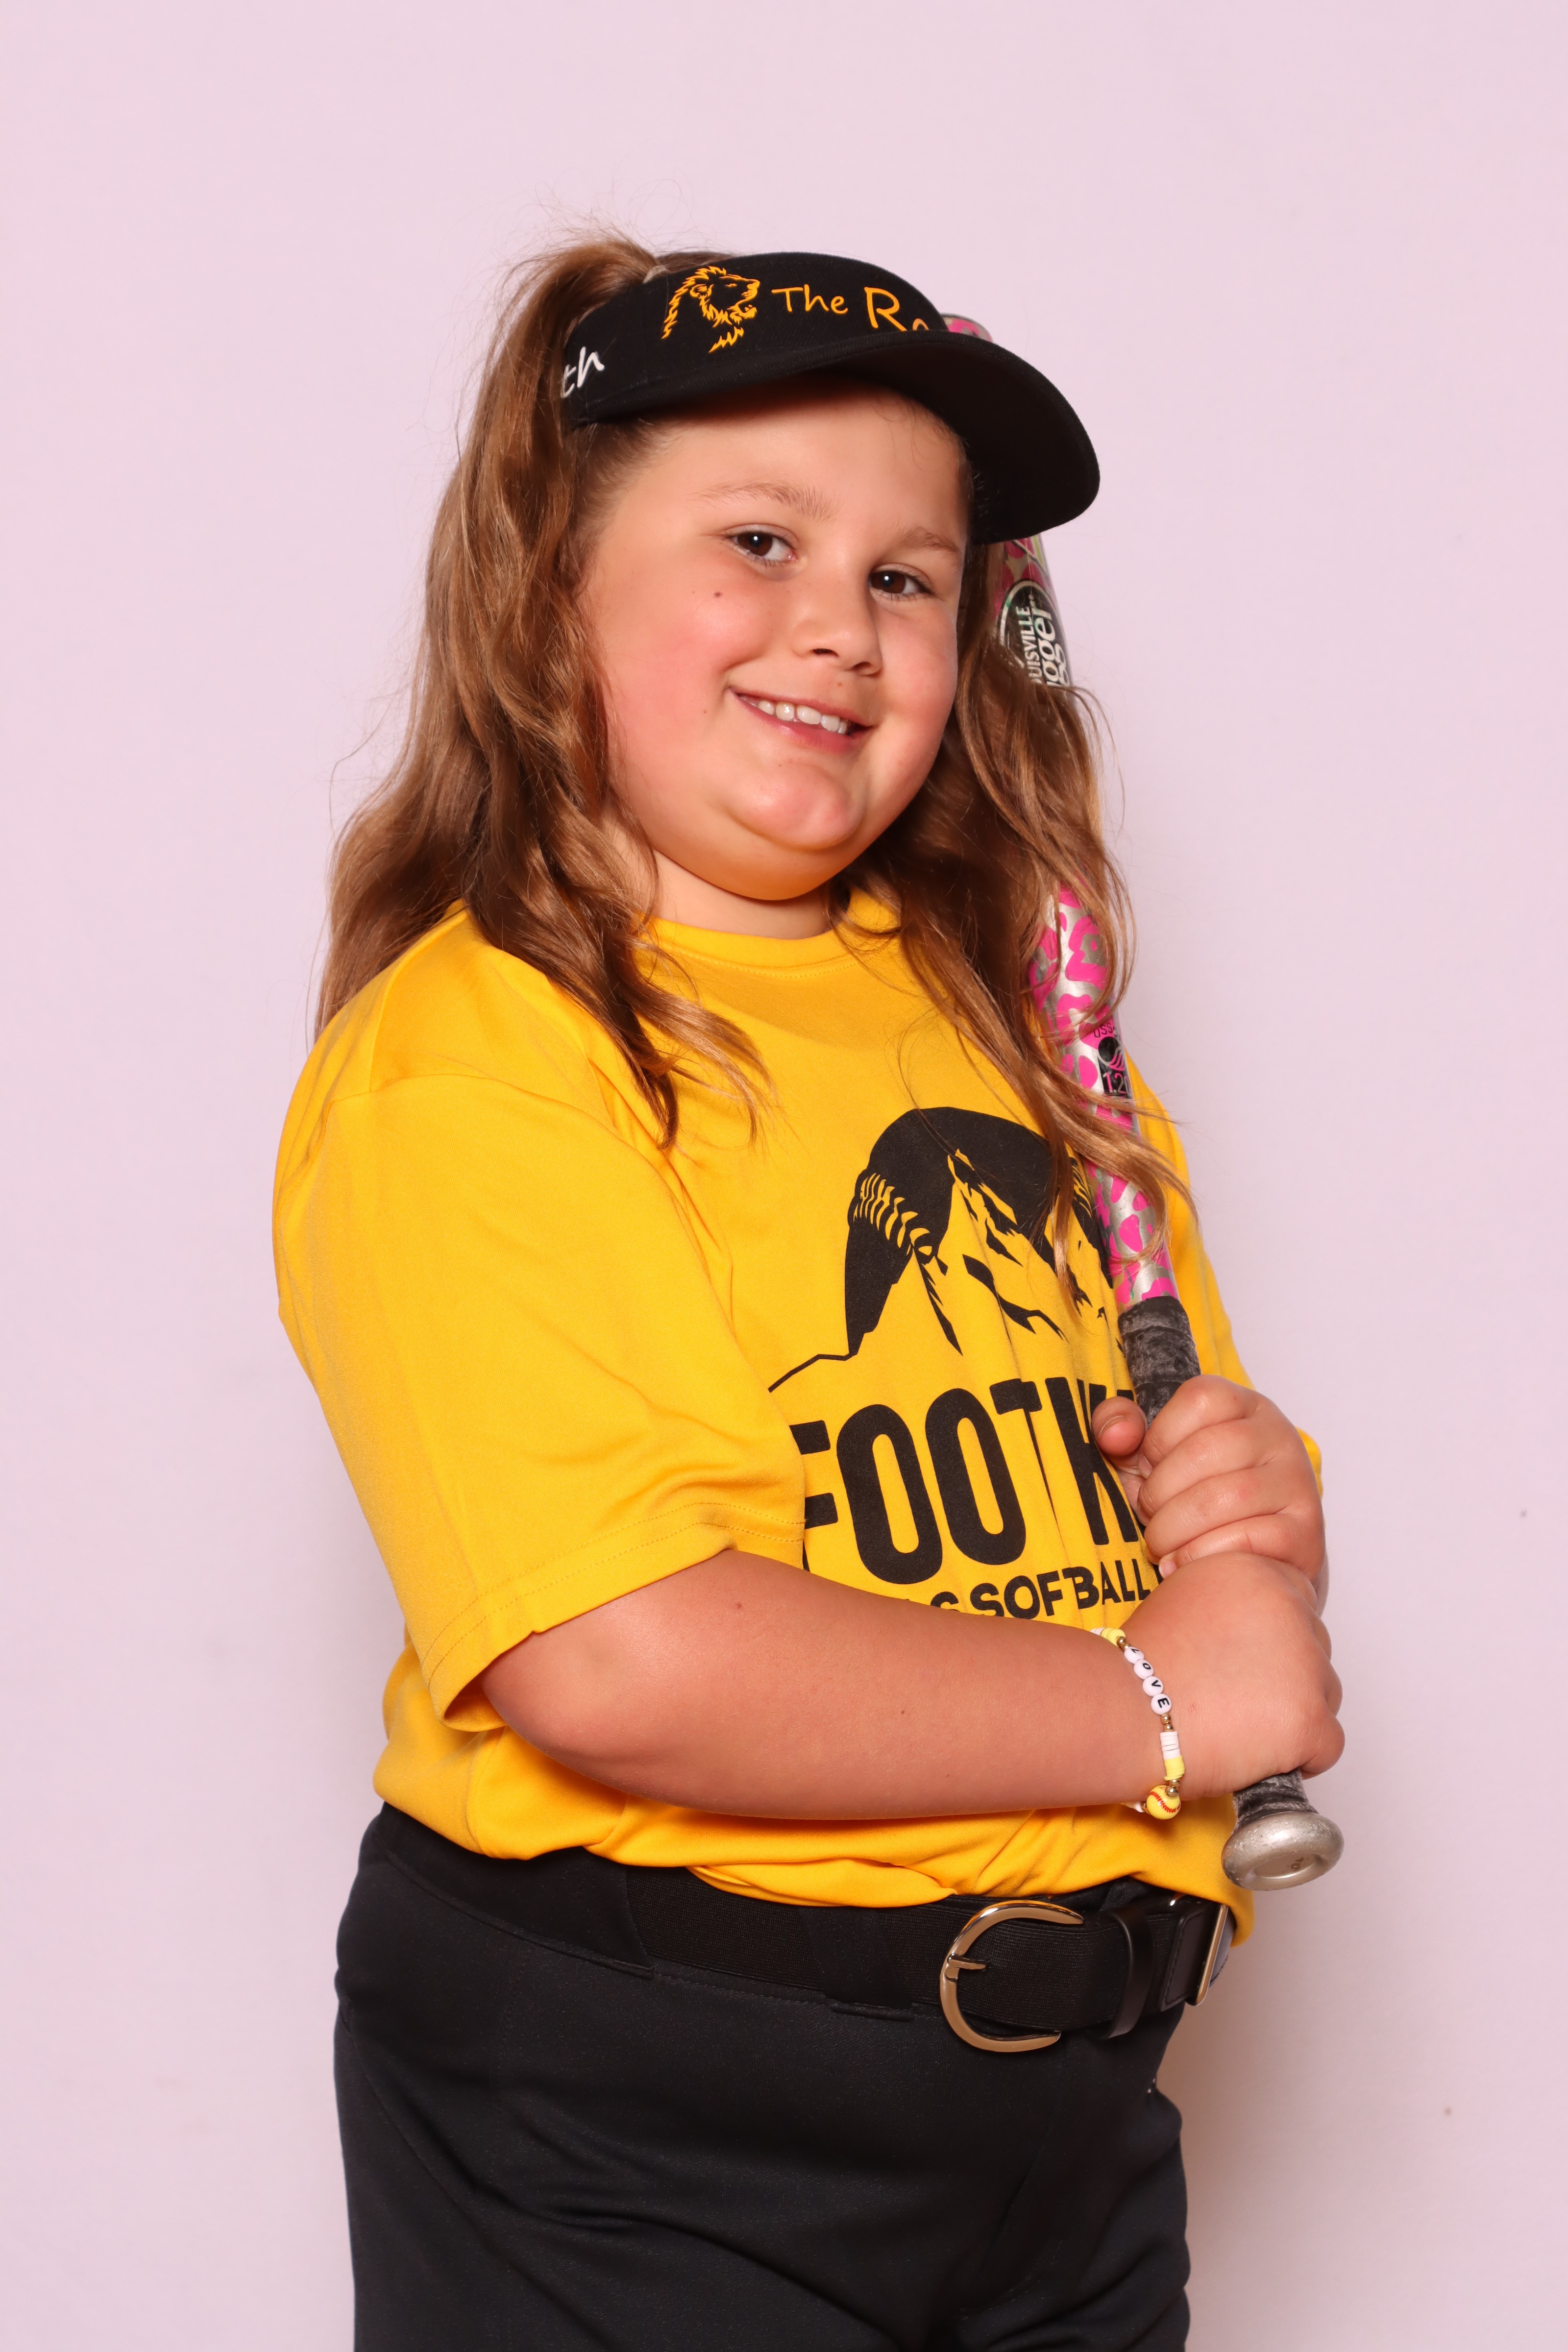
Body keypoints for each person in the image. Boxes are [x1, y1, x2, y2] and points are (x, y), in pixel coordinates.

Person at [274, 237, 1342, 2351]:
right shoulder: (478, 1057)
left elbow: (1157, 1535)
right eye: (757, 542)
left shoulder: (1021, 1031)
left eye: (906, 578)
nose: (839, 626)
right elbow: (621, 1652)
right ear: (547, 590)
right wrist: (1157, 1701)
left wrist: (1247, 1518)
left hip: (1066, 2123)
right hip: (646, 2117)